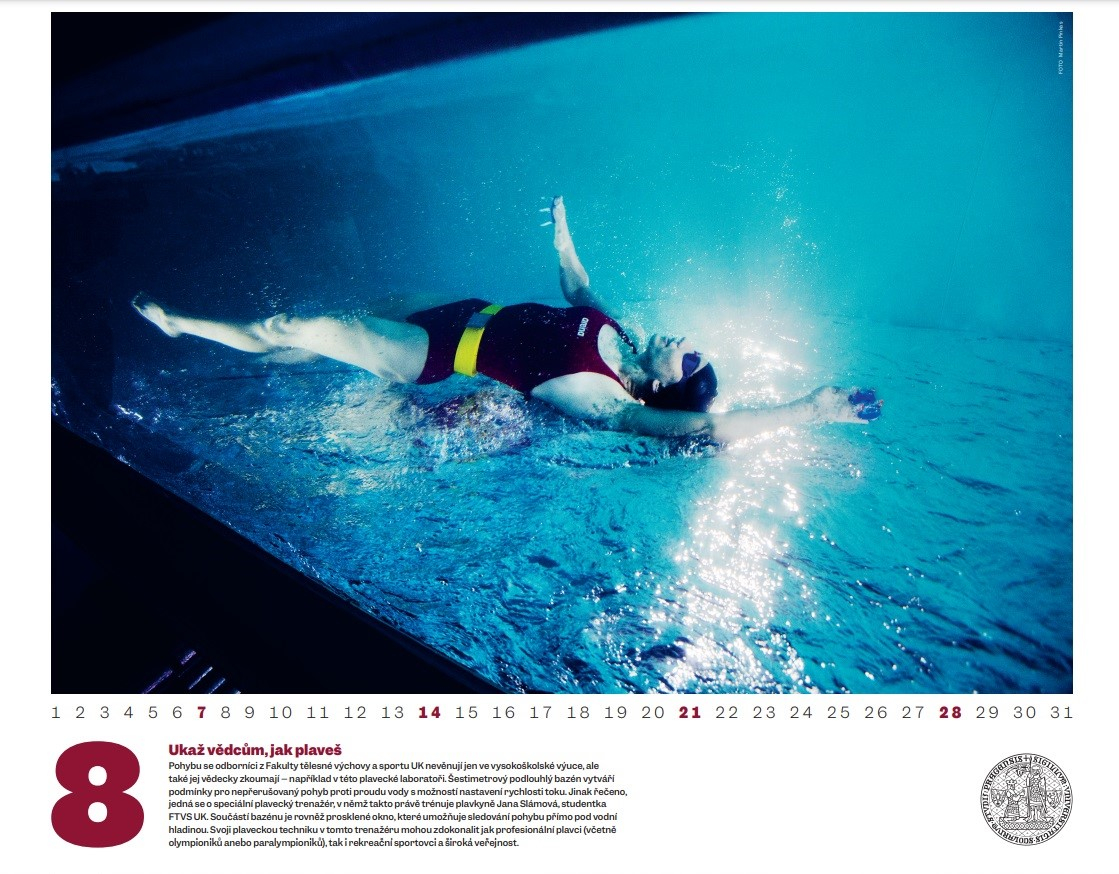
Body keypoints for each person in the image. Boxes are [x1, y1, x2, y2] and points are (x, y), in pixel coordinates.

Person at [133, 196, 881, 442]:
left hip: (428, 354)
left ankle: (180, 326)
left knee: (293, 325)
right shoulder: (620, 335)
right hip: (456, 308)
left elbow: (702, 431)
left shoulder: (604, 401)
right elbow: (579, 288)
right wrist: (563, 233)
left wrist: (810, 410)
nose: (684, 343)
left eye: (688, 359)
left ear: (661, 387)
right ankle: (285, 353)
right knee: (326, 330)